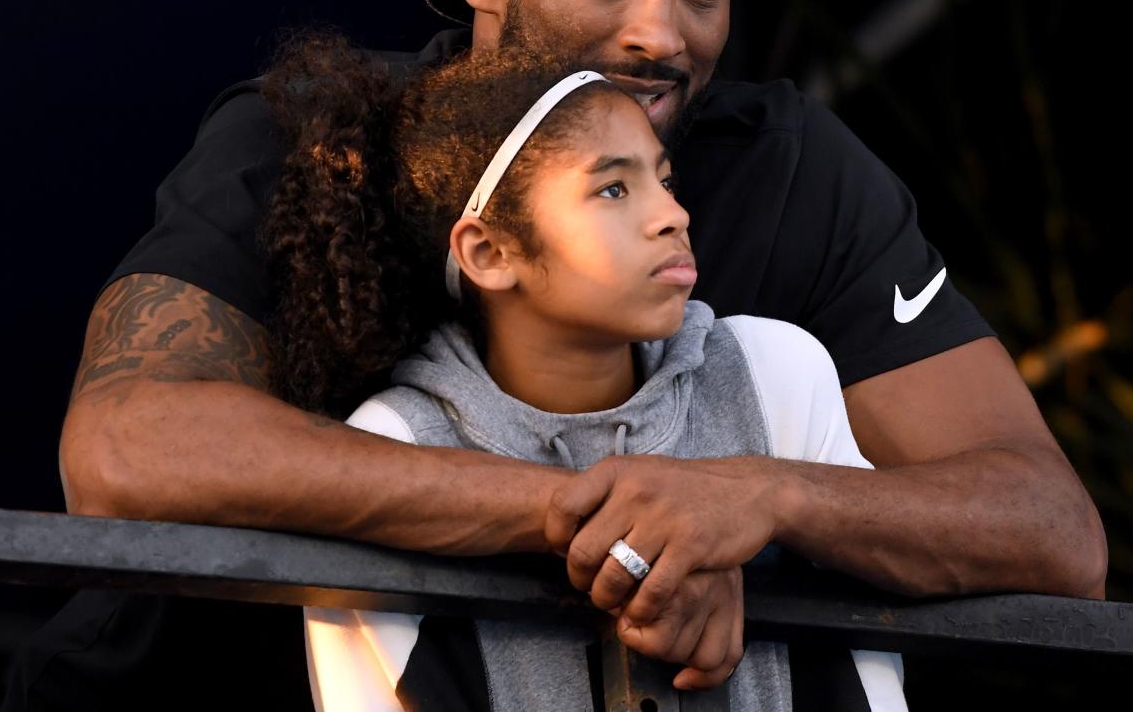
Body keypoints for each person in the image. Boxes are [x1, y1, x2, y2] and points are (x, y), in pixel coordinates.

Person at [8, 0, 1106, 711]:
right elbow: (129, 448)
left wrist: (755, 499)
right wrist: (590, 517)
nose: (662, 32)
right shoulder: (310, 135)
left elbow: (1054, 535)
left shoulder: (793, 168)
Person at [282, 36, 907, 711]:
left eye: (664, 180)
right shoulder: (397, 439)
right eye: (614, 188)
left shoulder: (773, 373)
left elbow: (871, 666)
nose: (673, 214)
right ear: (489, 251)